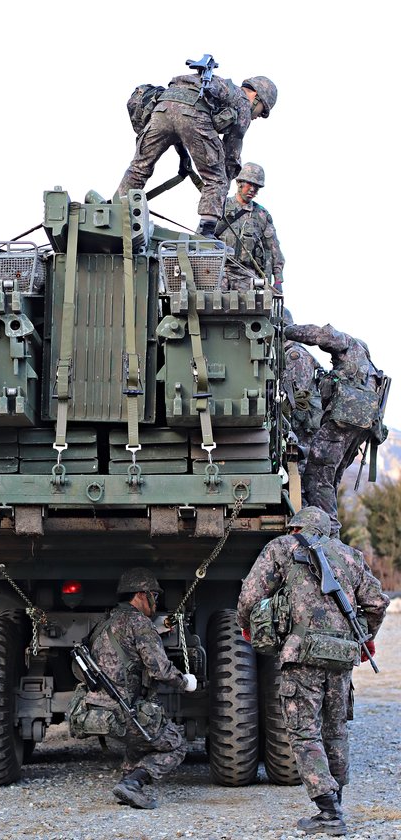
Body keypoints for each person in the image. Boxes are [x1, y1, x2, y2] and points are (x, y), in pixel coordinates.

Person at [237, 506, 389, 836]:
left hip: (301, 654)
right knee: (335, 730)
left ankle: (329, 812)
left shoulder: (282, 547)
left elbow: (249, 597)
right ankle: (337, 804)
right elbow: (377, 603)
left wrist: (248, 629)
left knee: (305, 733)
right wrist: (365, 638)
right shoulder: (351, 556)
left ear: (297, 529)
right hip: (341, 657)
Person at [68, 567, 196, 809]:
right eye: (154, 596)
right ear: (141, 594)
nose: (155, 602)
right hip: (123, 713)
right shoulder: (140, 623)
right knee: (177, 744)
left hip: (93, 712)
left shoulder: (103, 625)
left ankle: (127, 785)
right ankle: (133, 784)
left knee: (139, 744)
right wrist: (185, 682)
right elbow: (160, 669)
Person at [117, 69, 277, 236]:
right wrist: (221, 191)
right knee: (217, 177)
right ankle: (206, 231)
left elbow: (178, 114)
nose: (259, 116)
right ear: (256, 96)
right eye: (262, 110)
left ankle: (115, 211)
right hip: (194, 115)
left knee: (139, 167)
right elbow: (231, 155)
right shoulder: (243, 101)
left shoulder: (213, 85)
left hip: (161, 109)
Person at [283, 323, 382, 537]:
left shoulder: (346, 344)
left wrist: (283, 330)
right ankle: (331, 531)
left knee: (316, 476)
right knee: (329, 479)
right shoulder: (369, 372)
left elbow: (318, 334)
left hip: (343, 421)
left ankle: (328, 536)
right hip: (361, 427)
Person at [215, 162, 285, 291]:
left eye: (257, 186)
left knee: (248, 307)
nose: (253, 189)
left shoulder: (261, 215)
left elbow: (273, 248)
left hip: (246, 275)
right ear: (239, 183)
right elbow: (202, 238)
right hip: (219, 272)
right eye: (250, 184)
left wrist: (278, 279)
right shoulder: (220, 207)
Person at [281, 308, 324, 483]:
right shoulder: (285, 354)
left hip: (303, 429)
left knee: (302, 480)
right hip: (299, 427)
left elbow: (297, 398)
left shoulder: (295, 356)